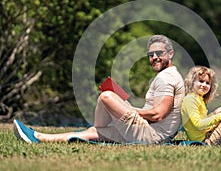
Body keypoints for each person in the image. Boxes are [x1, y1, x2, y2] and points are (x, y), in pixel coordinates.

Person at [13, 35, 185, 144]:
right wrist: (126, 109)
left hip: (152, 135)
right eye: (150, 55)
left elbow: (158, 115)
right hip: (153, 133)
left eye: (158, 53)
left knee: (107, 96)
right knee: (93, 132)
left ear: (170, 54)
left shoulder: (166, 77)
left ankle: (102, 127)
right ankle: (38, 137)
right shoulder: (168, 75)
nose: (154, 58)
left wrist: (130, 110)